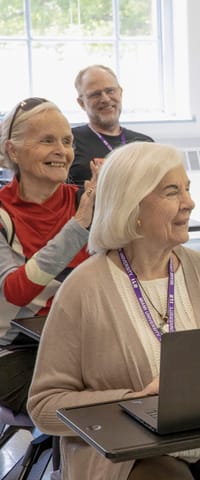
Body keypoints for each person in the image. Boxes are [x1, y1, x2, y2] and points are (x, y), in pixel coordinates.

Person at [27, 142, 200, 480]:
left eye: (187, 189)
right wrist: (134, 399)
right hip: (126, 451)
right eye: (172, 192)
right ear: (131, 206)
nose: (190, 202)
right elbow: (44, 407)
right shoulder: (83, 288)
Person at [0, 97, 96, 416]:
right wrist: (79, 226)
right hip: (15, 352)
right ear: (13, 151)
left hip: (86, 345)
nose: (61, 150)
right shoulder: (3, 215)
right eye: (47, 140)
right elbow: (16, 290)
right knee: (98, 404)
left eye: (67, 141)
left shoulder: (86, 200)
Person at [69, 64, 153, 186]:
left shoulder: (145, 144)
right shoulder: (69, 142)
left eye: (110, 91)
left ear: (120, 93)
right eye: (95, 94)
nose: (106, 99)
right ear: (81, 103)